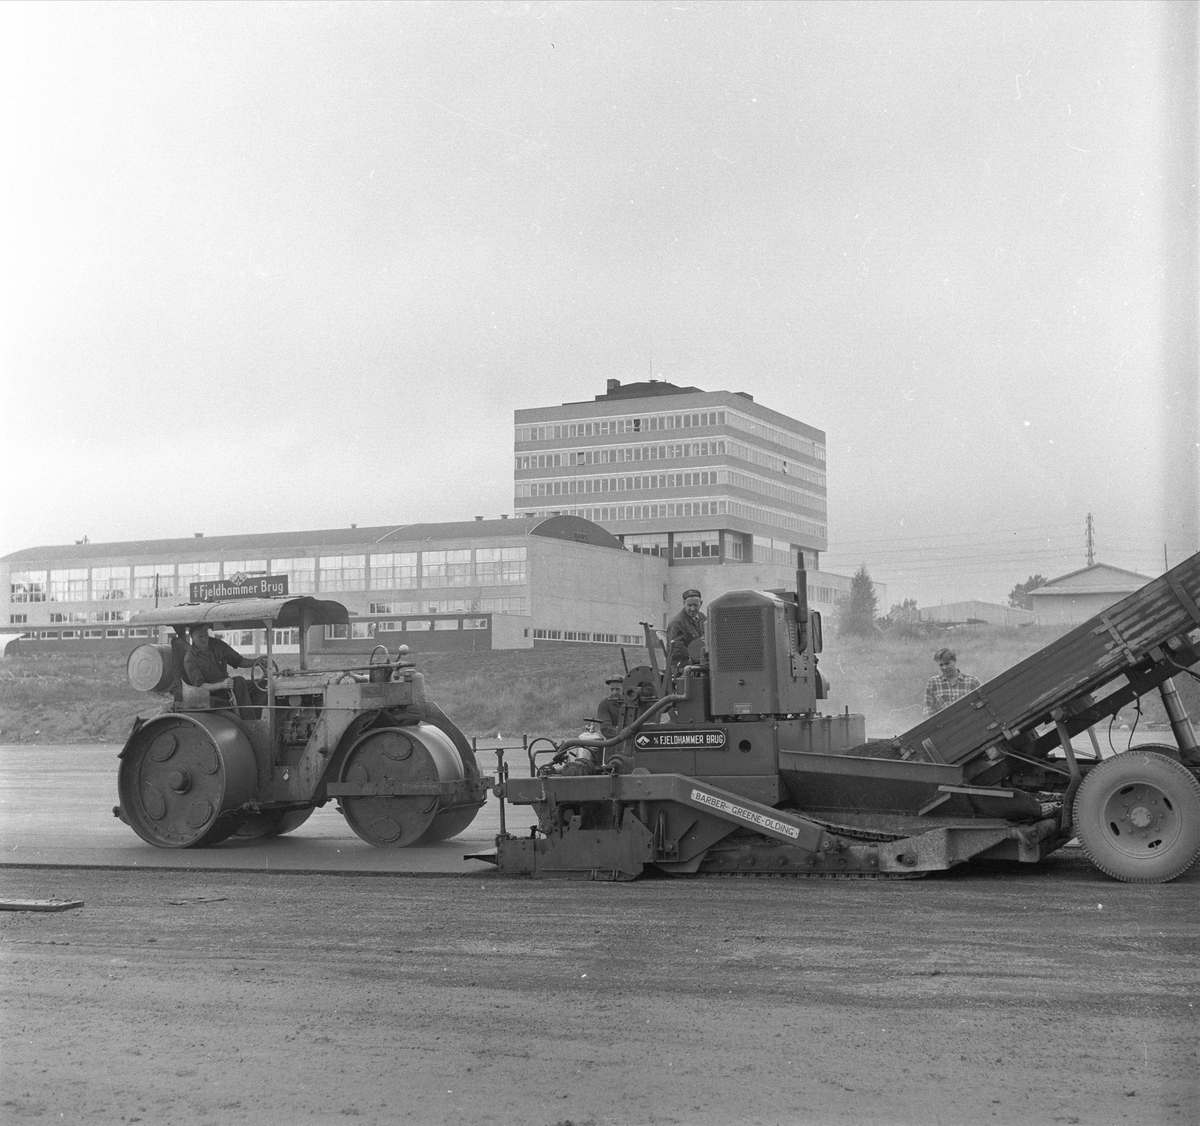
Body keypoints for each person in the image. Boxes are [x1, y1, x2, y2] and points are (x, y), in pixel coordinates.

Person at [183, 623, 264, 710]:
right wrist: (221, 685)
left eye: (205, 635)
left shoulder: (217, 644)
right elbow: (200, 686)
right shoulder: (190, 659)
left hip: (226, 686)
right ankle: (247, 720)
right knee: (239, 681)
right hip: (211, 694)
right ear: (192, 637)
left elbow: (239, 661)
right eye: (200, 637)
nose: (204, 639)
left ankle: (259, 718)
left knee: (262, 684)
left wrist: (258, 662)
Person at [924, 646, 982, 719]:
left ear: (954, 661)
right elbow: (928, 709)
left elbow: (983, 703)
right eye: (941, 665)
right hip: (944, 727)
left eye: (947, 663)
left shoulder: (972, 681)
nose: (944, 668)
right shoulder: (933, 683)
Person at [667, 589, 707, 671]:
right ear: (683, 603)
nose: (692, 609)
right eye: (689, 605)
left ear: (701, 604)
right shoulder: (677, 622)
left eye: (695, 605)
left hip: (699, 663)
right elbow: (677, 650)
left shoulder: (702, 618)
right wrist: (701, 654)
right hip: (682, 667)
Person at [594, 675, 625, 739]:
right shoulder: (604, 704)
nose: (614, 692)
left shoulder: (633, 703)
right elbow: (606, 729)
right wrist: (624, 733)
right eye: (612, 689)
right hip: (614, 742)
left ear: (625, 689)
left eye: (618, 689)